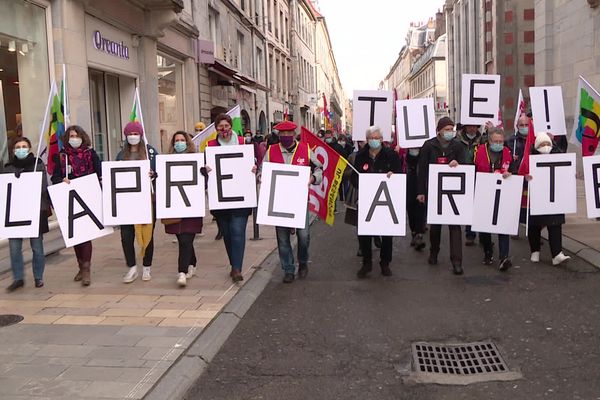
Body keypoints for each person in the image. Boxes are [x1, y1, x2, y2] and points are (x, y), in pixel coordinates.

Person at [262, 120, 323, 283]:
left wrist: (313, 178)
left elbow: (319, 168)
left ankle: (303, 261)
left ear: (294, 134)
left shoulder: (305, 150)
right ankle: (288, 269)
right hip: (279, 202)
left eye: (289, 134)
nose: (286, 137)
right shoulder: (271, 151)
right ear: (279, 135)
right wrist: (260, 175)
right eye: (283, 134)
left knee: (303, 236)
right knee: (282, 239)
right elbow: (263, 171)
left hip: (299, 200)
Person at [205, 113, 256, 283]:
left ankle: (237, 268)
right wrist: (205, 170)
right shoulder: (210, 146)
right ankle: (233, 263)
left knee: (237, 231)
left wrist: (254, 168)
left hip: (241, 197)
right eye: (220, 127)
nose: (224, 130)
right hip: (221, 198)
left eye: (226, 126)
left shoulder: (242, 142)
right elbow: (203, 169)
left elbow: (254, 162)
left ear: (231, 127)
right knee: (226, 233)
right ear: (216, 129)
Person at [51, 125, 102, 286]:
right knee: (76, 236)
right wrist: (61, 180)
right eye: (71, 136)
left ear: (82, 137)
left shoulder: (90, 154)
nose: (74, 139)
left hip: (87, 197)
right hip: (70, 199)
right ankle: (80, 266)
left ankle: (86, 268)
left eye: (77, 135)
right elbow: (55, 177)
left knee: (85, 235)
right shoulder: (62, 156)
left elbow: (100, 172)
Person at [351, 126, 402, 278]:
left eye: (378, 138)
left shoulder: (391, 155)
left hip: (386, 199)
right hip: (367, 200)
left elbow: (399, 174)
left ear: (382, 139)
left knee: (387, 232)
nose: (375, 141)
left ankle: (385, 262)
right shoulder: (360, 156)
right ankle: (367, 263)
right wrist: (362, 182)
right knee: (364, 232)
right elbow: (353, 177)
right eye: (372, 138)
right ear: (367, 140)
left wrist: (394, 176)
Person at [417, 116, 466, 275]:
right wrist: (421, 192)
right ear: (439, 131)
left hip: (453, 191)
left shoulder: (458, 145)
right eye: (447, 129)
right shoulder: (428, 146)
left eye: (452, 129)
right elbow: (422, 170)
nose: (450, 132)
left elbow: (465, 165)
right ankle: (434, 252)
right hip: (435, 190)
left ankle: (457, 261)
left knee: (455, 226)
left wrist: (457, 165)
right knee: (435, 226)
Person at [3, 137, 49, 291]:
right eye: (18, 146)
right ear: (13, 150)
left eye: (24, 146)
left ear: (29, 148)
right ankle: (18, 278)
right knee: (14, 248)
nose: (21, 149)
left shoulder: (38, 164)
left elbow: (43, 186)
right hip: (15, 213)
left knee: (37, 247)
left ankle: (38, 277)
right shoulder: (8, 167)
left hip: (35, 211)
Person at [117, 122, 159, 283]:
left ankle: (147, 267)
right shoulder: (121, 155)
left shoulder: (151, 153)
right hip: (127, 202)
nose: (133, 136)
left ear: (141, 135)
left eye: (136, 133)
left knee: (147, 234)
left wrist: (154, 174)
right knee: (126, 236)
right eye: (130, 133)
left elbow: (161, 172)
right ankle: (132, 267)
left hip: (147, 201)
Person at [522, 132, 571, 266]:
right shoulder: (530, 157)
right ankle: (535, 251)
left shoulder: (558, 155)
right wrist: (526, 177)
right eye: (542, 144)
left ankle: (557, 254)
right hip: (537, 196)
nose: (545, 146)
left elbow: (566, 169)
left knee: (555, 224)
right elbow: (521, 171)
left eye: (547, 144)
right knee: (534, 225)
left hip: (554, 196)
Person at [164, 131, 204, 287]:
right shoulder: (167, 160)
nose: (179, 143)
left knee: (186, 239)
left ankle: (181, 272)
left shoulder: (196, 159)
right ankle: (192, 262)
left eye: (182, 140)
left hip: (191, 207)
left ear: (187, 143)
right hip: (175, 207)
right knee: (182, 239)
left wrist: (203, 174)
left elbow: (205, 184)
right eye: (176, 140)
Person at [473, 127, 513, 271]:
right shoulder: (479, 151)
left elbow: (513, 169)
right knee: (485, 226)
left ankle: (504, 257)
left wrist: (510, 173)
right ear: (489, 141)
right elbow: (472, 169)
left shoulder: (507, 152)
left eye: (501, 141)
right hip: (484, 191)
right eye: (496, 141)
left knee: (504, 225)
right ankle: (488, 251)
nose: (498, 143)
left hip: (502, 192)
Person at [457, 123, 484, 246]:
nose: (472, 128)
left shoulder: (483, 139)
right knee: (468, 204)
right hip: (463, 173)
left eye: (475, 126)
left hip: (479, 173)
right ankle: (470, 233)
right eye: (470, 126)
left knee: (480, 204)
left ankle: (484, 235)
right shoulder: (457, 140)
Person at [406, 146, 426, 251]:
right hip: (410, 178)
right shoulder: (406, 147)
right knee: (410, 206)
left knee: (421, 205)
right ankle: (414, 231)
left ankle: (419, 234)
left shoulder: (428, 146)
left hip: (423, 178)